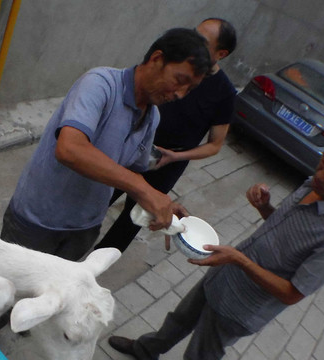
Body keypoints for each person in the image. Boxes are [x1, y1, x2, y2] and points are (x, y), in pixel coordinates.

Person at [108, 124, 324, 360]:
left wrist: (239, 260)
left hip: (241, 307)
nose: (321, 175)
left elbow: (293, 293)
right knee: (179, 319)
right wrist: (265, 208)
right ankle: (146, 350)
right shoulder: (313, 184)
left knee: (200, 356)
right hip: (223, 273)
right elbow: (281, 230)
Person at [0, 28, 212, 261]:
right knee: (6, 289)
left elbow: (131, 171)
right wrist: (142, 187)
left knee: (52, 293)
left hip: (84, 229)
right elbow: (69, 149)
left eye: (189, 89)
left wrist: (164, 208)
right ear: (156, 59)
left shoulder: (153, 119)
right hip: (36, 221)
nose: (181, 94)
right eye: (180, 80)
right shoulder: (100, 84)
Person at [95, 18, 237, 252]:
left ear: (220, 53)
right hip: (134, 143)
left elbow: (215, 145)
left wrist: (175, 157)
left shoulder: (224, 94)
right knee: (101, 195)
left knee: (133, 220)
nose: (180, 92)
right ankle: (73, 240)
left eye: (202, 41)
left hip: (165, 163)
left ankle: (99, 262)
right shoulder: (175, 60)